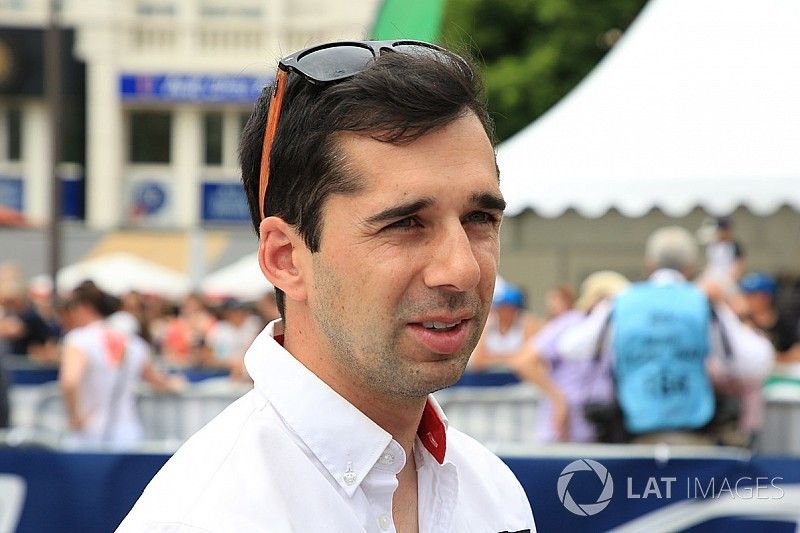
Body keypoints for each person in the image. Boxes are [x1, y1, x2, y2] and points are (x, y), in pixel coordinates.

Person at [119, 40, 535, 532]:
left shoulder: (494, 492)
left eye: (480, 217)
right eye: (406, 224)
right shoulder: (212, 515)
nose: (461, 269)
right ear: (285, 258)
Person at [558, 227, 773, 445]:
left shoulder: (622, 302)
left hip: (634, 429)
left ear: (649, 265)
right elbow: (758, 360)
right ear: (689, 268)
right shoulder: (703, 301)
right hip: (693, 429)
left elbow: (570, 347)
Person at [59, 283, 183, 449]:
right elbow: (154, 378)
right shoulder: (132, 342)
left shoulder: (79, 340)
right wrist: (175, 384)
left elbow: (70, 381)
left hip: (89, 433)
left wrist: (75, 416)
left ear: (83, 307)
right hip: (127, 432)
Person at [514, 273, 627, 443]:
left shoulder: (616, 332)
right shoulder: (570, 323)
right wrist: (558, 400)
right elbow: (524, 361)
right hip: (562, 431)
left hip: (598, 431)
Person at [469, 282, 540, 370]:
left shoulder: (527, 323)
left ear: (514, 308)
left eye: (504, 307)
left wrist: (493, 358)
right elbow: (478, 361)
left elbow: (531, 359)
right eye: (498, 307)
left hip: (521, 379)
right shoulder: (488, 323)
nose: (499, 311)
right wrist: (510, 358)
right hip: (491, 378)